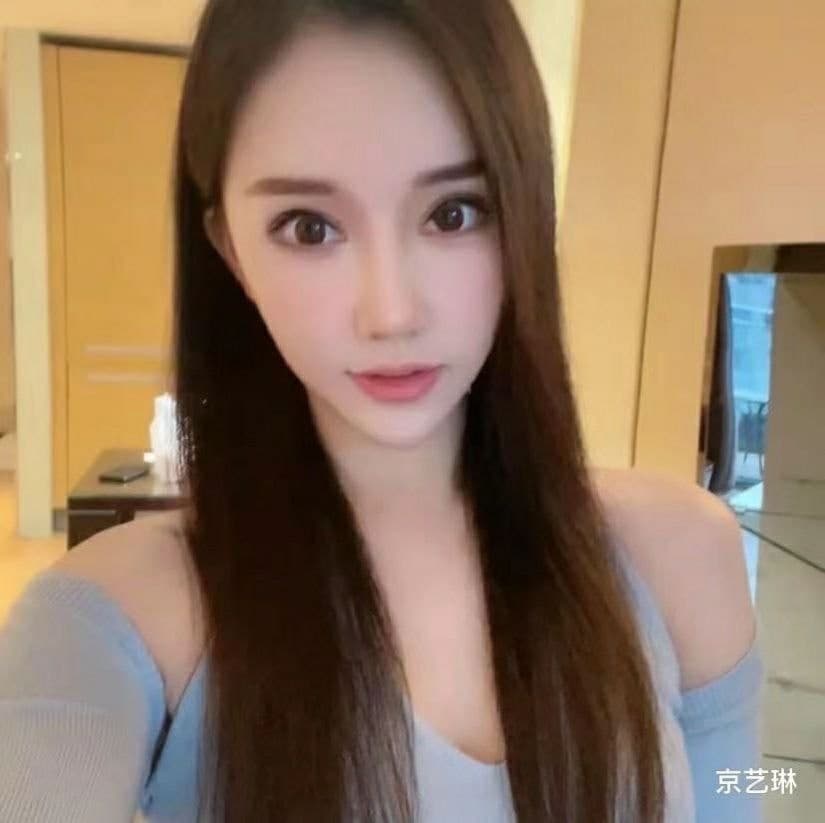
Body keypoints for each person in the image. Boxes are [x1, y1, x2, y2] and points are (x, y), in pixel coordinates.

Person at [0, 1, 763, 820]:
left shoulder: (681, 555)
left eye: (453, 213)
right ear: (230, 250)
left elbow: (742, 792)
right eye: (309, 227)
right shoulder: (117, 619)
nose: (391, 312)